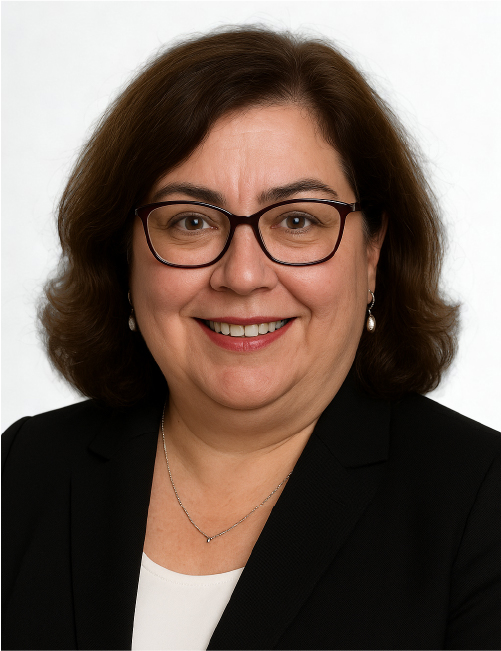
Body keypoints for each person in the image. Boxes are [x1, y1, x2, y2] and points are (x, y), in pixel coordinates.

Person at [2, 26, 500, 651]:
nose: (242, 276)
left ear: (373, 252)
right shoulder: (23, 472)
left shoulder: (480, 505)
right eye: (191, 221)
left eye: (297, 220)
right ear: (123, 254)